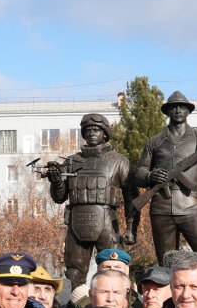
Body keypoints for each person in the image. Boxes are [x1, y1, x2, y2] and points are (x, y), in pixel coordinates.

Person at [134, 91, 197, 262]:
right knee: (166, 262)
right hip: (161, 208)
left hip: (191, 207)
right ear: (167, 111)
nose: (178, 110)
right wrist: (150, 175)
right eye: (173, 107)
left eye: (182, 107)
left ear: (188, 111)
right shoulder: (154, 142)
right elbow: (139, 173)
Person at [47, 112, 137, 289]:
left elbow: (131, 197)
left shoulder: (119, 161)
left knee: (114, 267)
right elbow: (58, 198)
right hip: (76, 223)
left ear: (105, 133)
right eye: (87, 130)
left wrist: (131, 228)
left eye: (96, 129)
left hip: (107, 223)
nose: (91, 133)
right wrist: (56, 181)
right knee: (74, 272)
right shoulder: (72, 161)